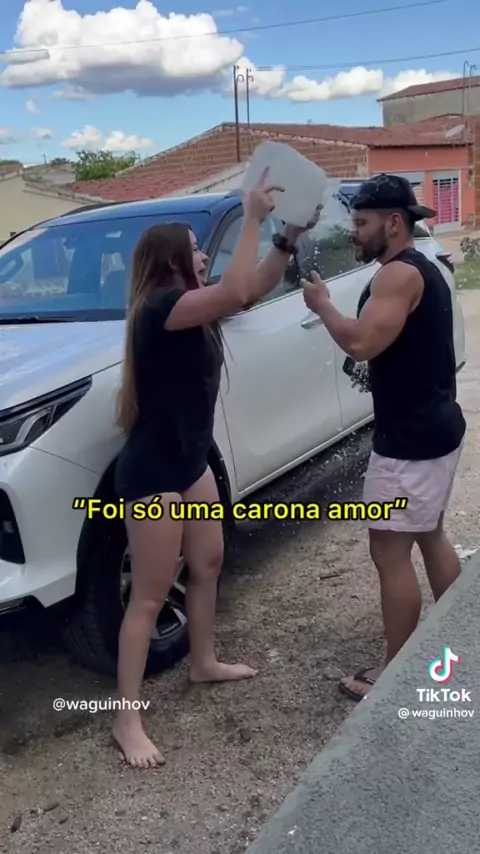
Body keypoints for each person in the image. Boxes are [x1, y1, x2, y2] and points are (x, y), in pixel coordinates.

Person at [113, 170, 319, 766]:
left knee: (206, 564)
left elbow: (247, 289)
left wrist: (286, 238)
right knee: (149, 598)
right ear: (171, 261)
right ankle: (126, 721)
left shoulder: (193, 307)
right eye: (196, 249)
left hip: (189, 462)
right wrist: (250, 217)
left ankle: (202, 662)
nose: (205, 255)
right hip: (153, 474)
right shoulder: (162, 308)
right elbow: (232, 292)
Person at [301, 173, 466, 702]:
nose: (353, 231)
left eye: (361, 222)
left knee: (389, 552)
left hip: (410, 442)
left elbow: (362, 343)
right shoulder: (419, 267)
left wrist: (322, 304)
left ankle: (394, 675)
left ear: (394, 222)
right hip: (436, 428)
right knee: (429, 534)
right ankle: (461, 640)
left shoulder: (397, 275)